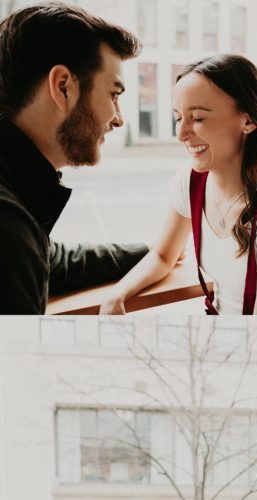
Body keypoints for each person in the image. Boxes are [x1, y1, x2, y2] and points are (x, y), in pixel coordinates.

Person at [100, 54, 257, 316]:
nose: (181, 133)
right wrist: (118, 294)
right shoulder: (192, 180)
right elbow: (163, 255)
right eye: (178, 117)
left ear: (248, 121)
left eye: (198, 118)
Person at [0, 3, 150, 314]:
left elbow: (51, 260)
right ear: (63, 87)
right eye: (113, 94)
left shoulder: (16, 204)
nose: (119, 118)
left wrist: (153, 253)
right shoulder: (8, 229)